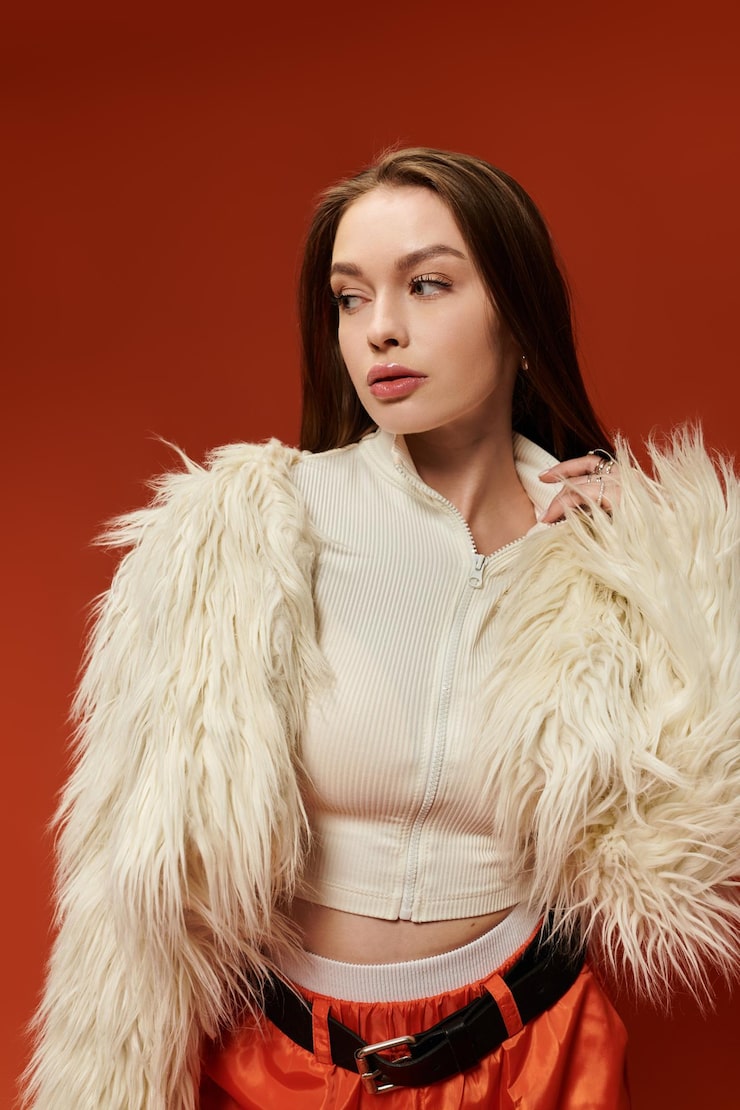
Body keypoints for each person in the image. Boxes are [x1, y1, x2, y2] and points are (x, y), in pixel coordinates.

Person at [23, 149, 739, 1109]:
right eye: (351, 298)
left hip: (537, 1054)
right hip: (279, 1064)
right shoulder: (255, 534)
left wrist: (677, 567)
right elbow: (130, 892)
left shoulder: (607, 552)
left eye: (427, 284)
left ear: (520, 316)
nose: (381, 330)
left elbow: (695, 829)